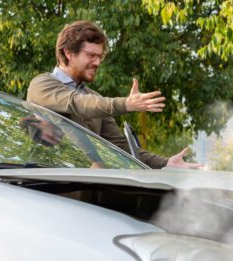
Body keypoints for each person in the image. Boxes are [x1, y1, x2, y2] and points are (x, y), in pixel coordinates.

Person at [27, 20, 200, 169]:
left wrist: (165, 162)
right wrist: (126, 104)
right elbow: (76, 103)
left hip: (82, 186)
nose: (97, 62)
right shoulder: (42, 85)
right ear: (69, 53)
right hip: (40, 184)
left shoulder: (94, 98)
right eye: (91, 55)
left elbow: (120, 148)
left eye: (100, 56)